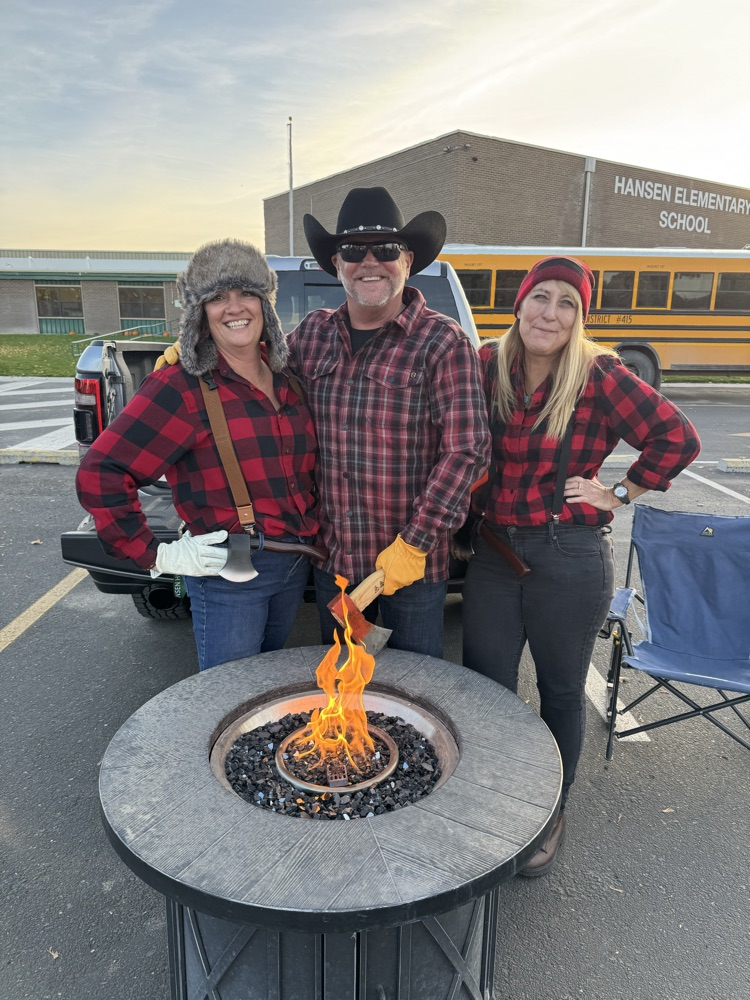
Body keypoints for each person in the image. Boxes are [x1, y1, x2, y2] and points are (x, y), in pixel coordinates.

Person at [460, 255, 701, 876]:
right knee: (486, 686)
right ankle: (490, 799)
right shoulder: (486, 364)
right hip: (493, 552)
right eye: (542, 297)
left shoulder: (598, 375)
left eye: (568, 303)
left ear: (580, 316)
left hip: (568, 554)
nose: (552, 313)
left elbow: (677, 437)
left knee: (562, 691)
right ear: (520, 304)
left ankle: (549, 812)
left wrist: (619, 494)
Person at [76, 240, 321, 670]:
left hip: (295, 563)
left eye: (246, 293)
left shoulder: (288, 377)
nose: (234, 307)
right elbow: (102, 471)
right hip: (229, 572)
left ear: (266, 304)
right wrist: (156, 555)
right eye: (217, 298)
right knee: (226, 701)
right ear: (200, 313)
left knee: (267, 688)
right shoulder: (180, 387)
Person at [288, 186, 491, 657]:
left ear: (407, 260)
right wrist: (197, 355)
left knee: (413, 694)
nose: (369, 261)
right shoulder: (310, 337)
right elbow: (252, 372)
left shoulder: (442, 341)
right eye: (354, 251)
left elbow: (467, 451)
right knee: (340, 689)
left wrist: (414, 544)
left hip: (411, 569)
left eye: (386, 249)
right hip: (334, 560)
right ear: (335, 264)